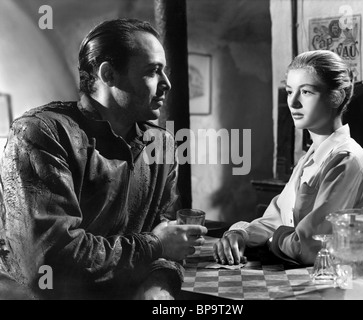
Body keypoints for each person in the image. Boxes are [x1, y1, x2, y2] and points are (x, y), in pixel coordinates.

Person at [0, 18, 207, 300]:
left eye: (165, 71)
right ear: (108, 75)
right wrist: (154, 244)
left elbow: (172, 236)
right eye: (153, 71)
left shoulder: (162, 143)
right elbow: (49, 264)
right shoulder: (42, 133)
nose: (167, 84)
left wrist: (157, 286)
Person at [213, 50, 363, 266]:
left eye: (307, 92)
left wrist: (273, 240)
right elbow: (277, 217)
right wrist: (241, 235)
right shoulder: (309, 158)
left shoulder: (346, 160)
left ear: (336, 97)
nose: (293, 102)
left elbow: (309, 247)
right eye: (290, 91)